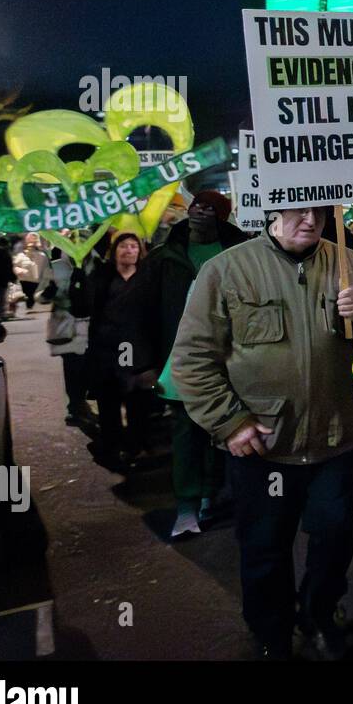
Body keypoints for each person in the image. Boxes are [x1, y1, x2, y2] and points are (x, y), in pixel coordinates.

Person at [171, 206, 353, 660]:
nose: (310, 220)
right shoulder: (227, 270)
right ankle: (271, 632)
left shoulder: (349, 264)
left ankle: (319, 612)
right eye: (298, 209)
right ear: (274, 207)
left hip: (335, 440)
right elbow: (192, 360)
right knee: (264, 548)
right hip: (263, 446)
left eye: (318, 210)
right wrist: (229, 423)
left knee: (336, 533)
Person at [142, 191, 248, 539]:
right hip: (181, 362)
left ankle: (210, 494)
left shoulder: (241, 254)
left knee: (223, 429)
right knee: (187, 434)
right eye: (197, 206)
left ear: (223, 217)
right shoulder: (165, 257)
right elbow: (142, 311)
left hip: (231, 359)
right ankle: (186, 506)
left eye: (211, 209)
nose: (201, 212)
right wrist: (142, 362)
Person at [88, 232, 157, 468]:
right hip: (108, 350)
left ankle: (135, 446)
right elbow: (86, 306)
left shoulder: (147, 278)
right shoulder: (102, 276)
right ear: (114, 250)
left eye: (133, 246)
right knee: (109, 404)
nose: (129, 250)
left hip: (139, 351)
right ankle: (112, 447)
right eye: (123, 246)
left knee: (138, 404)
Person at [39, 244, 98, 431]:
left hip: (93, 327)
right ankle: (75, 407)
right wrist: (51, 292)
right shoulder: (56, 266)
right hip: (67, 328)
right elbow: (41, 295)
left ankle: (81, 404)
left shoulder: (97, 263)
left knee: (89, 369)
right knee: (73, 369)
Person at [12, 233, 49, 311]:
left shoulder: (42, 255)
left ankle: (29, 307)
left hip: (36, 279)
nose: (30, 248)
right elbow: (15, 266)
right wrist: (19, 271)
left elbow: (46, 267)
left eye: (32, 246)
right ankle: (27, 307)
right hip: (24, 279)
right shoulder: (21, 255)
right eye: (29, 246)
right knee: (26, 294)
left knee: (32, 295)